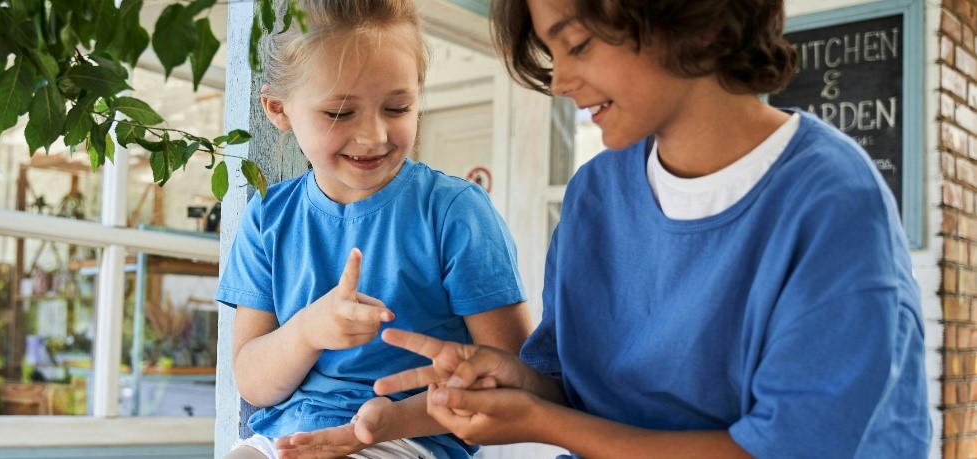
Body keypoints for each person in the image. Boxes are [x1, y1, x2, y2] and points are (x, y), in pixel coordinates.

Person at [364, 0, 932, 456]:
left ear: (697, 21)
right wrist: (509, 382)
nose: (559, 79)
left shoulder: (833, 203)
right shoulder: (595, 196)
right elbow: (569, 387)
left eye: (578, 44)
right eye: (552, 52)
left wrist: (542, 422)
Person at [215, 1, 531, 458]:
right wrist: (308, 330)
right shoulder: (268, 218)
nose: (374, 136)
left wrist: (392, 419)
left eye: (397, 107)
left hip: (410, 437)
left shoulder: (454, 213)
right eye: (340, 114)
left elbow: (512, 375)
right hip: (283, 440)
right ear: (278, 109)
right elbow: (253, 381)